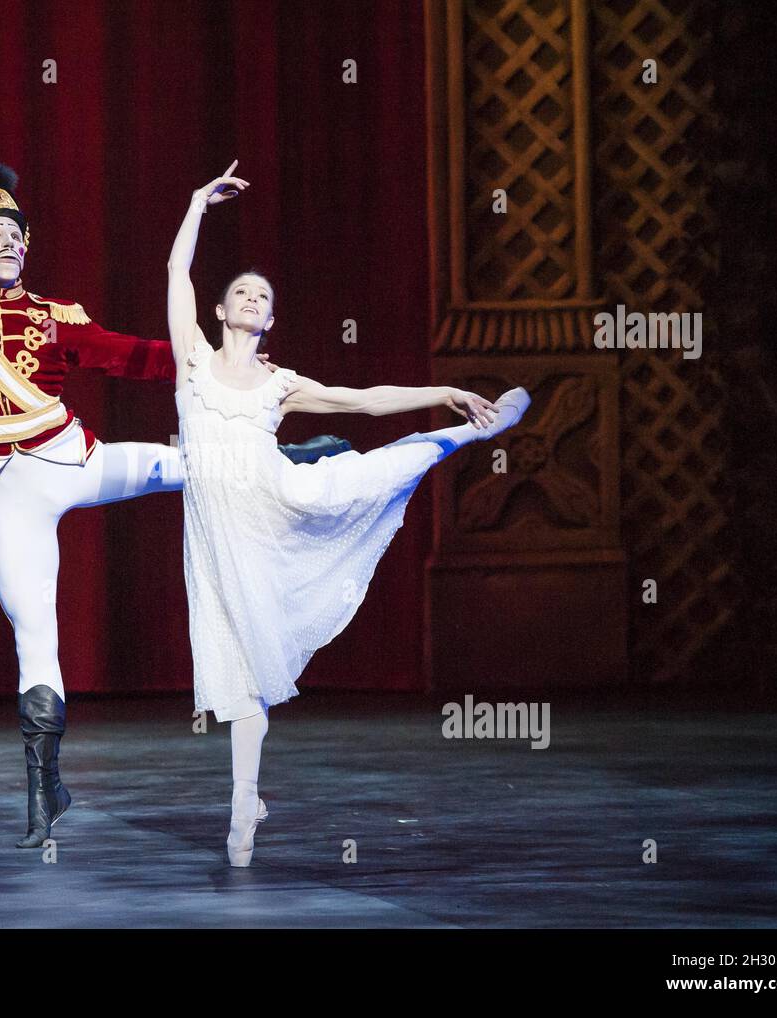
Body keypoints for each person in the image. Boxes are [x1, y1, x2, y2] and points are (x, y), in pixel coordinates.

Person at [0, 83, 344, 848]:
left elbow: (131, 355)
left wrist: (218, 361)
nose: (7, 247)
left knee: (187, 464)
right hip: (10, 491)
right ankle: (45, 789)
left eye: (15, 237)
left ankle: (284, 453)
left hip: (75, 460)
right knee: (33, 634)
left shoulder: (51, 317)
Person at [166, 162, 531, 866]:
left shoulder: (280, 383)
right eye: (239, 291)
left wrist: (444, 388)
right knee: (237, 674)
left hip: (282, 502)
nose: (248, 298)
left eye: (261, 296)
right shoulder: (192, 361)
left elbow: (364, 400)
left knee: (378, 468)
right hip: (215, 538)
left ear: (271, 319)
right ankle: (244, 805)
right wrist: (195, 203)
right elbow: (178, 269)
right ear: (219, 312)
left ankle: (469, 428)